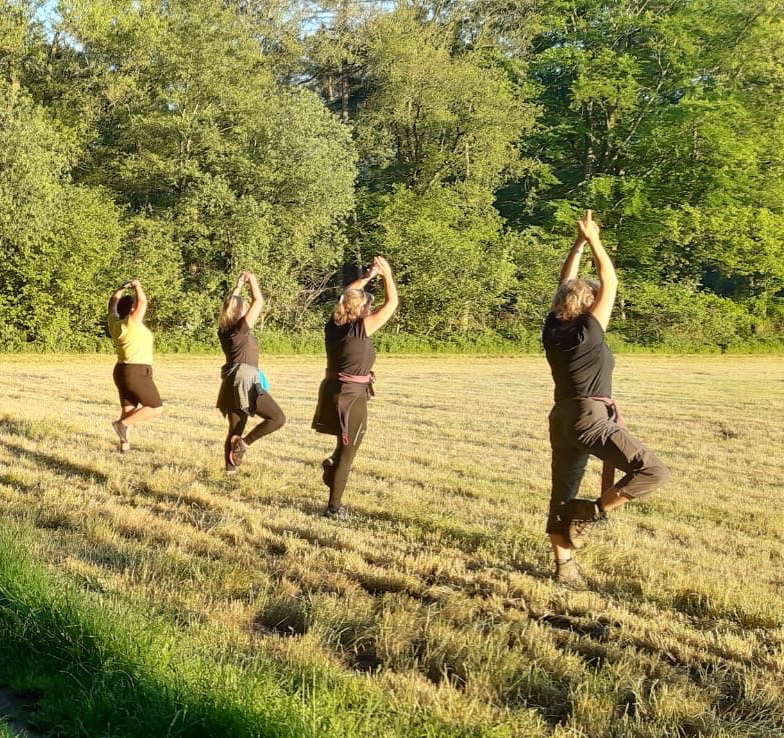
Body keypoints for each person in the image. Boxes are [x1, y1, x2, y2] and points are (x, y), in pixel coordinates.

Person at [542, 210, 669, 586]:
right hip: (589, 416)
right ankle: (592, 511)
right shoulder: (589, 331)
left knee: (561, 493)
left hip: (561, 418)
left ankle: (564, 569)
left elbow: (564, 282)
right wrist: (595, 240)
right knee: (652, 471)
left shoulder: (553, 328)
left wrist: (579, 244)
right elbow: (610, 279)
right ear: (589, 304)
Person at [312, 256, 398, 519]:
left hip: (334, 389)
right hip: (350, 395)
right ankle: (334, 507)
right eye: (367, 306)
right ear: (360, 309)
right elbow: (392, 304)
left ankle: (333, 462)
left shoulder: (334, 325)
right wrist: (387, 275)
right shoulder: (359, 329)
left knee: (346, 440)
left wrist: (368, 277)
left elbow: (347, 294)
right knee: (349, 451)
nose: (369, 310)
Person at [216, 271, 286, 476]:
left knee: (235, 429)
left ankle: (230, 472)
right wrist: (252, 281)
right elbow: (259, 301)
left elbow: (230, 304)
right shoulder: (240, 330)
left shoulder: (224, 330)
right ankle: (245, 443)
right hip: (244, 380)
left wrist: (238, 286)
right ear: (239, 311)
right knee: (277, 418)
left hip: (232, 380)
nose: (247, 309)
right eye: (244, 307)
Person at [108, 279, 163, 452]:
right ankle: (121, 425)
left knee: (129, 410)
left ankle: (124, 446)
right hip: (136, 370)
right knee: (155, 408)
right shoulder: (130, 323)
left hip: (121, 370)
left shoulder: (114, 323)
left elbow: (112, 305)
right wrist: (137, 286)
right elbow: (143, 303)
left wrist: (120, 289)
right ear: (132, 310)